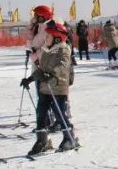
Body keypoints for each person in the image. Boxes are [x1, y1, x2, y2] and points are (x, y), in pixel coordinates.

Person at [21, 20, 78, 156]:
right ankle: (42, 140)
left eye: (48, 37)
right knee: (41, 113)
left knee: (60, 114)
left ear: (57, 38)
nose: (45, 39)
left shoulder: (63, 49)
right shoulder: (46, 50)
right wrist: (30, 79)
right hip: (45, 87)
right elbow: (41, 69)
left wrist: (51, 73)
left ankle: (69, 138)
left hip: (58, 87)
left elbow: (62, 65)